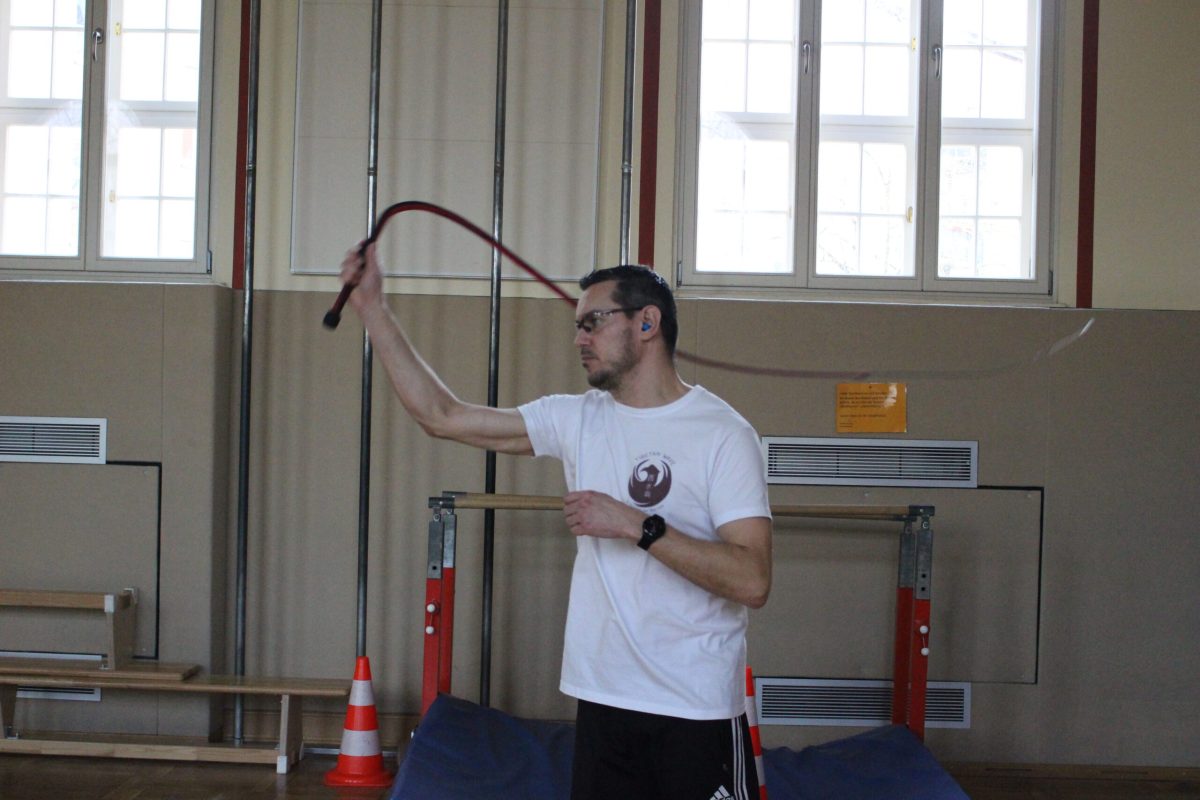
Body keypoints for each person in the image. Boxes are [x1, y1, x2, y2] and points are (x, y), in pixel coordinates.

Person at [339, 243, 772, 800]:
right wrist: (373, 307)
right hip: (605, 700)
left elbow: (752, 581)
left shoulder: (724, 434)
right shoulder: (577, 419)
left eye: (594, 322)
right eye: (578, 326)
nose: (579, 339)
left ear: (647, 323)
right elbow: (442, 416)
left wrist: (636, 525)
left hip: (697, 707)